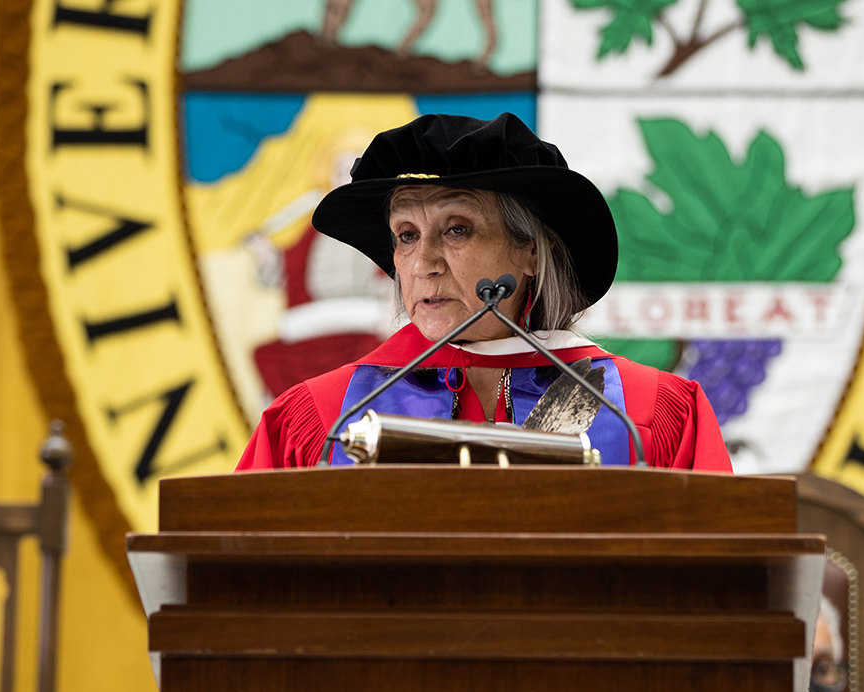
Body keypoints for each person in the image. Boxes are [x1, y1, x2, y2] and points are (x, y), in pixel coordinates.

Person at [236, 112, 732, 471]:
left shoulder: (649, 413)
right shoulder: (319, 418)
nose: (424, 264)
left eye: (457, 229)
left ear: (531, 252)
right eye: (406, 235)